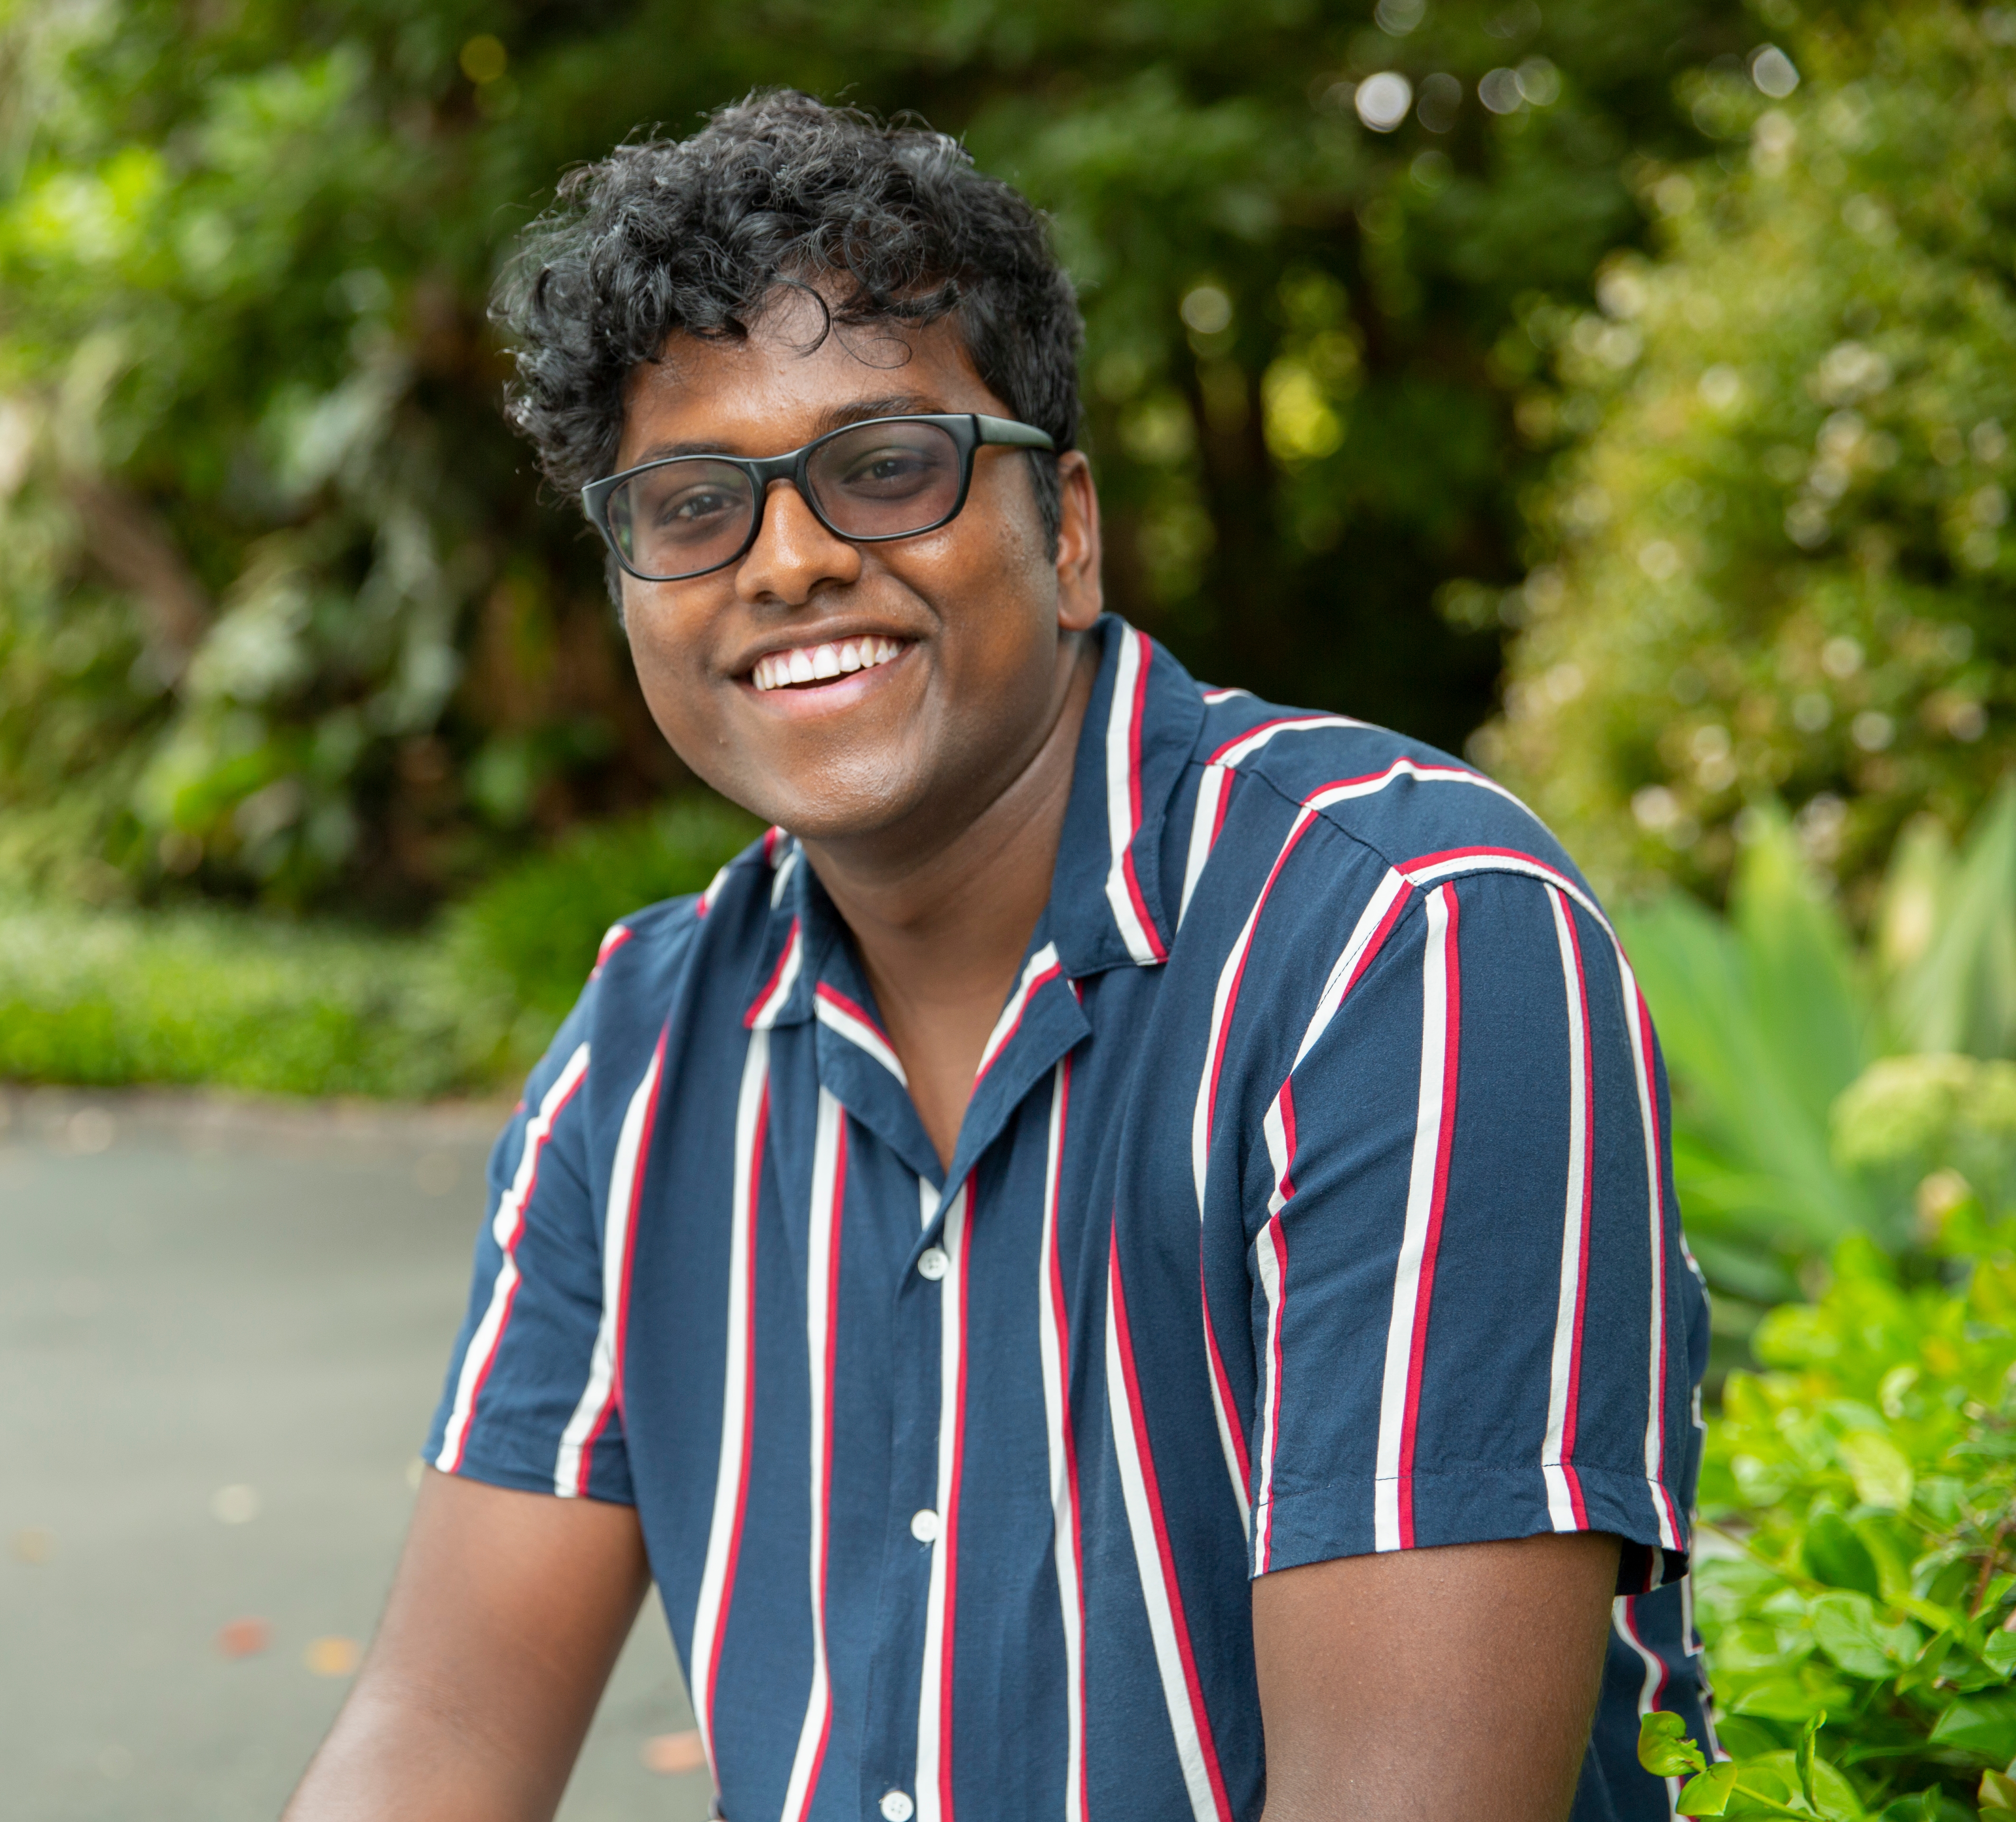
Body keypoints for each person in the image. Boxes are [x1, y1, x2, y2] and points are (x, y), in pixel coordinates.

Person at [286, 90, 1708, 1822]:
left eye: (887, 468)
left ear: (1069, 532)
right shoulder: (643, 1055)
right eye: (694, 505)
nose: (790, 562)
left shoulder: (1403, 942)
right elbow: (438, 1736)